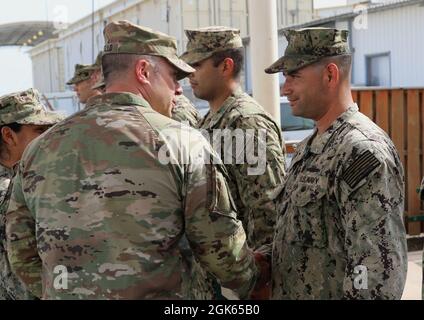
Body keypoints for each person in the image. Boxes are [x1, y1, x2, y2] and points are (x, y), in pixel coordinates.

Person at [4, 20, 264, 300]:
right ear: (143, 71)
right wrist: (255, 278)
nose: (178, 89)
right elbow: (220, 249)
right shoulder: (181, 143)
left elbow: (20, 248)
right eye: (173, 77)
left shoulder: (40, 148)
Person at [266, 27, 407, 299]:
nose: (285, 89)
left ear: (330, 75)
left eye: (294, 76)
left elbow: (376, 274)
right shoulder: (311, 147)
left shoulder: (362, 152)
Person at [180, 26, 287, 254]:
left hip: (241, 275)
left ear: (226, 66)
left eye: (197, 65)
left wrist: (258, 275)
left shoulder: (246, 122)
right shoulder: (211, 120)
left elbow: (267, 210)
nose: (190, 73)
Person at [0, 88, 64, 300]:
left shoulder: (35, 175)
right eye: (39, 130)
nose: (48, 137)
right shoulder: (14, 186)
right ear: (9, 135)